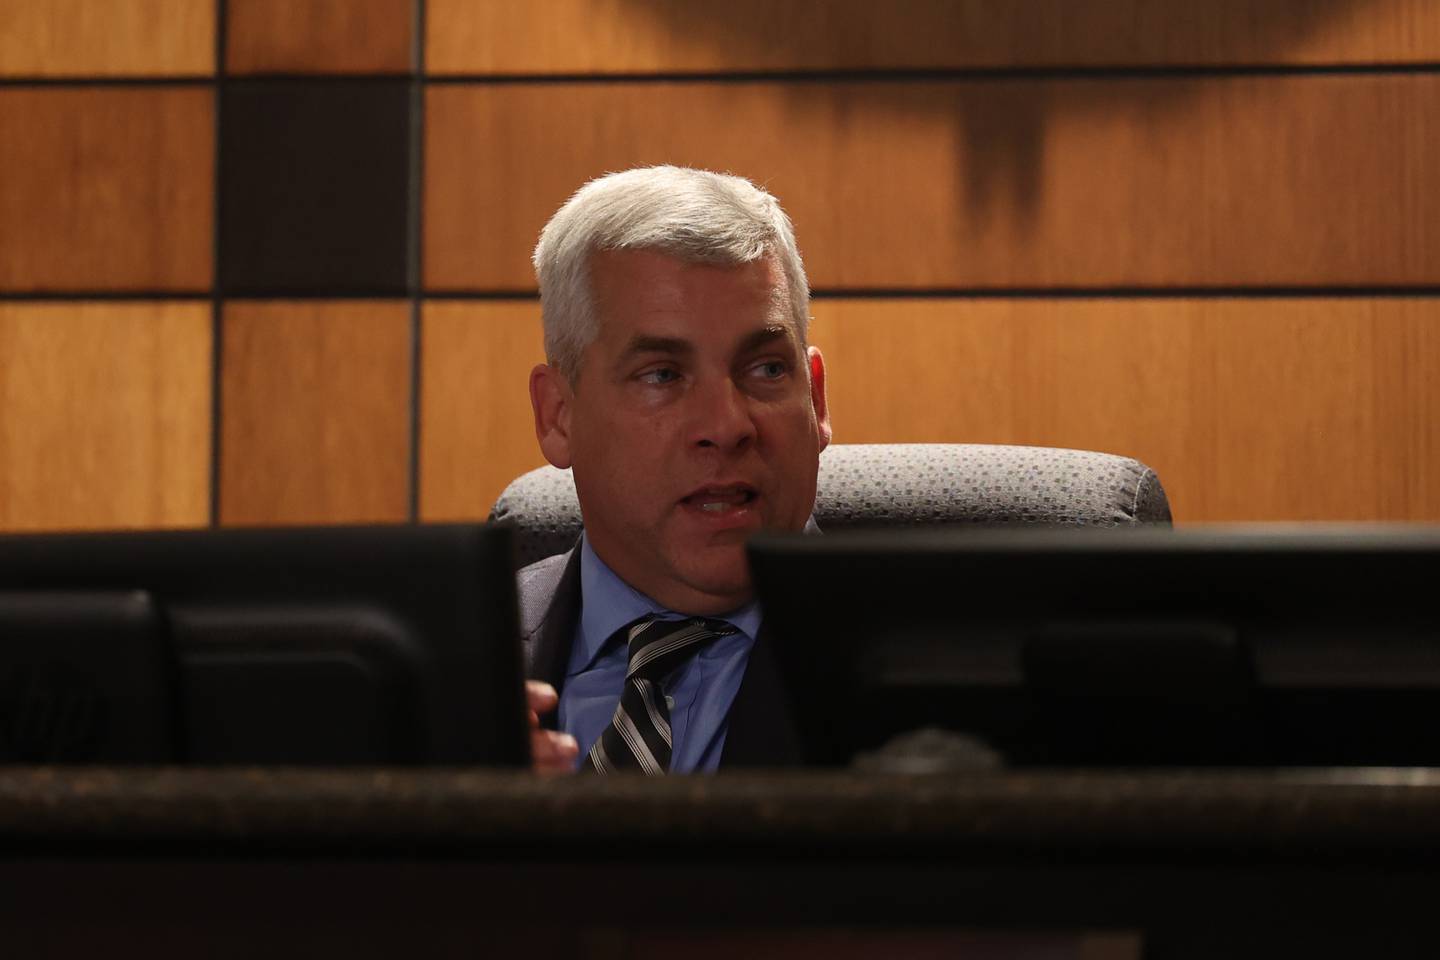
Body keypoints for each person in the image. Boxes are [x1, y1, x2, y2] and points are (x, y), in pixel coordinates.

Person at [520, 165, 831, 774]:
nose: (727, 424)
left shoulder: (932, 679)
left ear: (816, 399)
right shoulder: (441, 675)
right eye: (662, 375)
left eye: (767, 369)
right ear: (558, 416)